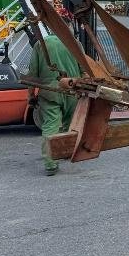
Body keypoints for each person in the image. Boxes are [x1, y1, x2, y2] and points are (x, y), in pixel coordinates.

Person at [27, 35, 81, 175]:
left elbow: (33, 73)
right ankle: (64, 152)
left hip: (50, 92)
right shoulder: (75, 43)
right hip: (72, 91)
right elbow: (84, 69)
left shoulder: (41, 44)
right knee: (69, 125)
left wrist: (31, 95)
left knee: (51, 126)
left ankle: (51, 164)